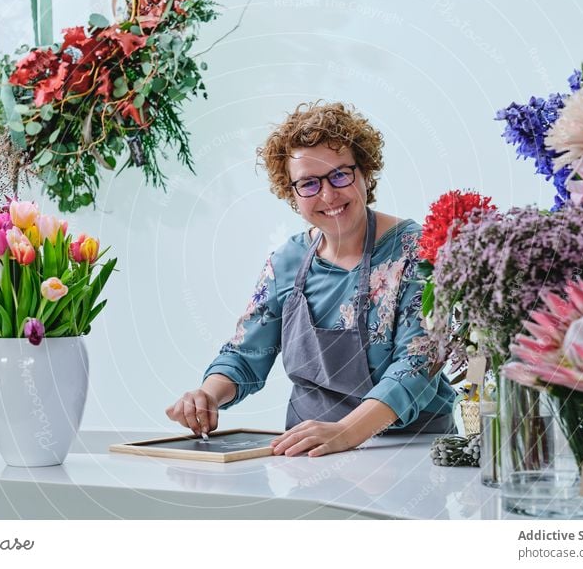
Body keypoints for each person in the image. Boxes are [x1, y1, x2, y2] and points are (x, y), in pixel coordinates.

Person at [165, 101, 455, 457]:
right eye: (309, 183)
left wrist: (346, 432)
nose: (329, 195)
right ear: (291, 193)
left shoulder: (418, 250)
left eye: (340, 175)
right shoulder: (286, 262)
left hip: (408, 451)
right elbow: (245, 354)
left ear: (365, 171)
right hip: (310, 454)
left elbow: (418, 363)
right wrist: (207, 395)